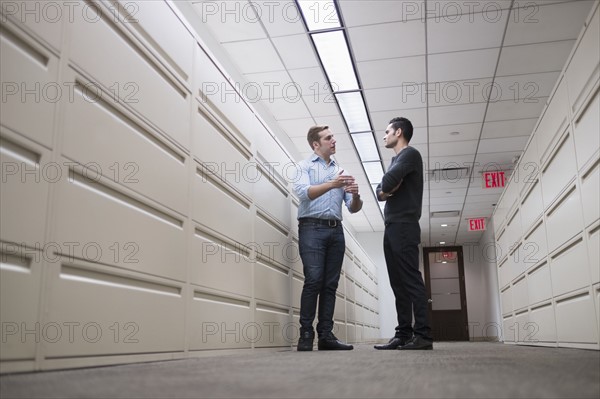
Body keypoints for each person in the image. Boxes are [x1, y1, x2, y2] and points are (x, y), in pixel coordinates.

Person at [292, 125, 363, 351]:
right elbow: (303, 193)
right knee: (313, 279)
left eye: (333, 137)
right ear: (316, 144)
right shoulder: (304, 167)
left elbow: (353, 208)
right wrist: (332, 184)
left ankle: (326, 335)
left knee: (330, 284)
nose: (334, 141)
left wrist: (356, 194)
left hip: (336, 231)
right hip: (311, 228)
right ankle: (305, 334)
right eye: (328, 138)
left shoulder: (341, 170)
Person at [374, 117, 433, 350]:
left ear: (399, 132)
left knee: (410, 280)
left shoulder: (410, 154)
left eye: (387, 131)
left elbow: (386, 184)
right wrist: (386, 189)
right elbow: (380, 191)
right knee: (398, 284)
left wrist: (387, 188)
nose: (384, 135)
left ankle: (423, 336)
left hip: (404, 226)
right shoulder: (396, 160)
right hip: (392, 226)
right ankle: (403, 334)